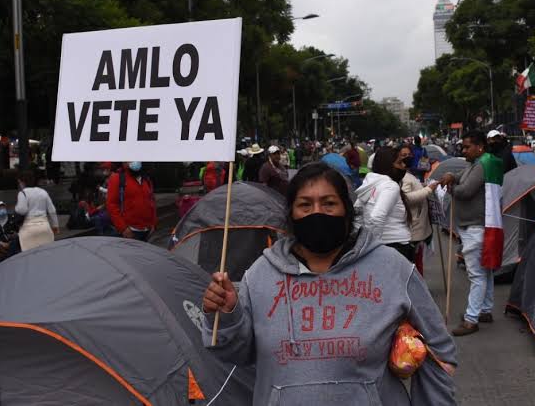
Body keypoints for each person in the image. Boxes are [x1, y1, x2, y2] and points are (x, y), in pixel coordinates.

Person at [202, 162, 457, 405]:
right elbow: (236, 354)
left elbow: (439, 350)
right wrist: (227, 316)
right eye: (305, 205)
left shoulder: (392, 267)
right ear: (291, 213)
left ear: (347, 210)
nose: (317, 213)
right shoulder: (260, 275)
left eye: (329, 203)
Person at [440, 131, 504, 337]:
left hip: (475, 227)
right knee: (485, 271)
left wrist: (450, 189)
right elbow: (463, 178)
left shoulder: (481, 165)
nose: (463, 150)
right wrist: (453, 177)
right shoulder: (478, 164)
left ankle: (471, 319)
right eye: (463, 147)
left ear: (480, 147)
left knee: (476, 274)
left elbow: (466, 191)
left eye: (467, 147)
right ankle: (485, 310)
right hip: (476, 225)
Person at [355, 146, 414, 262]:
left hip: (388, 245)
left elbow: (356, 213)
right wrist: (371, 247)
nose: (403, 166)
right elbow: (377, 218)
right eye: (399, 162)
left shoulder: (371, 183)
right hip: (394, 246)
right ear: (388, 165)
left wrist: (359, 241)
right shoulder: (390, 186)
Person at [399, 145, 438, 275]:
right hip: (412, 227)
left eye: (409, 154)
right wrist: (428, 189)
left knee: (417, 261)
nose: (407, 157)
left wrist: (422, 186)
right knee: (413, 264)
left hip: (416, 226)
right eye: (403, 155)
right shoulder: (402, 176)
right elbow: (406, 198)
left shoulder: (409, 172)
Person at [106, 162, 157, 241]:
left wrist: (153, 223)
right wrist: (123, 228)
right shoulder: (117, 178)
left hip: (147, 230)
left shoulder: (146, 179)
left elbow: (151, 201)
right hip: (130, 232)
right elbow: (112, 205)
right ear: (123, 163)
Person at [14, 170, 59, 252]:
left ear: (22, 182)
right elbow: (52, 210)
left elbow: (22, 210)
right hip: (44, 227)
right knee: (46, 253)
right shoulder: (43, 192)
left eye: (19, 182)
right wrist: (55, 226)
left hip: (28, 229)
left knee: (29, 255)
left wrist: (16, 208)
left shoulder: (23, 193)